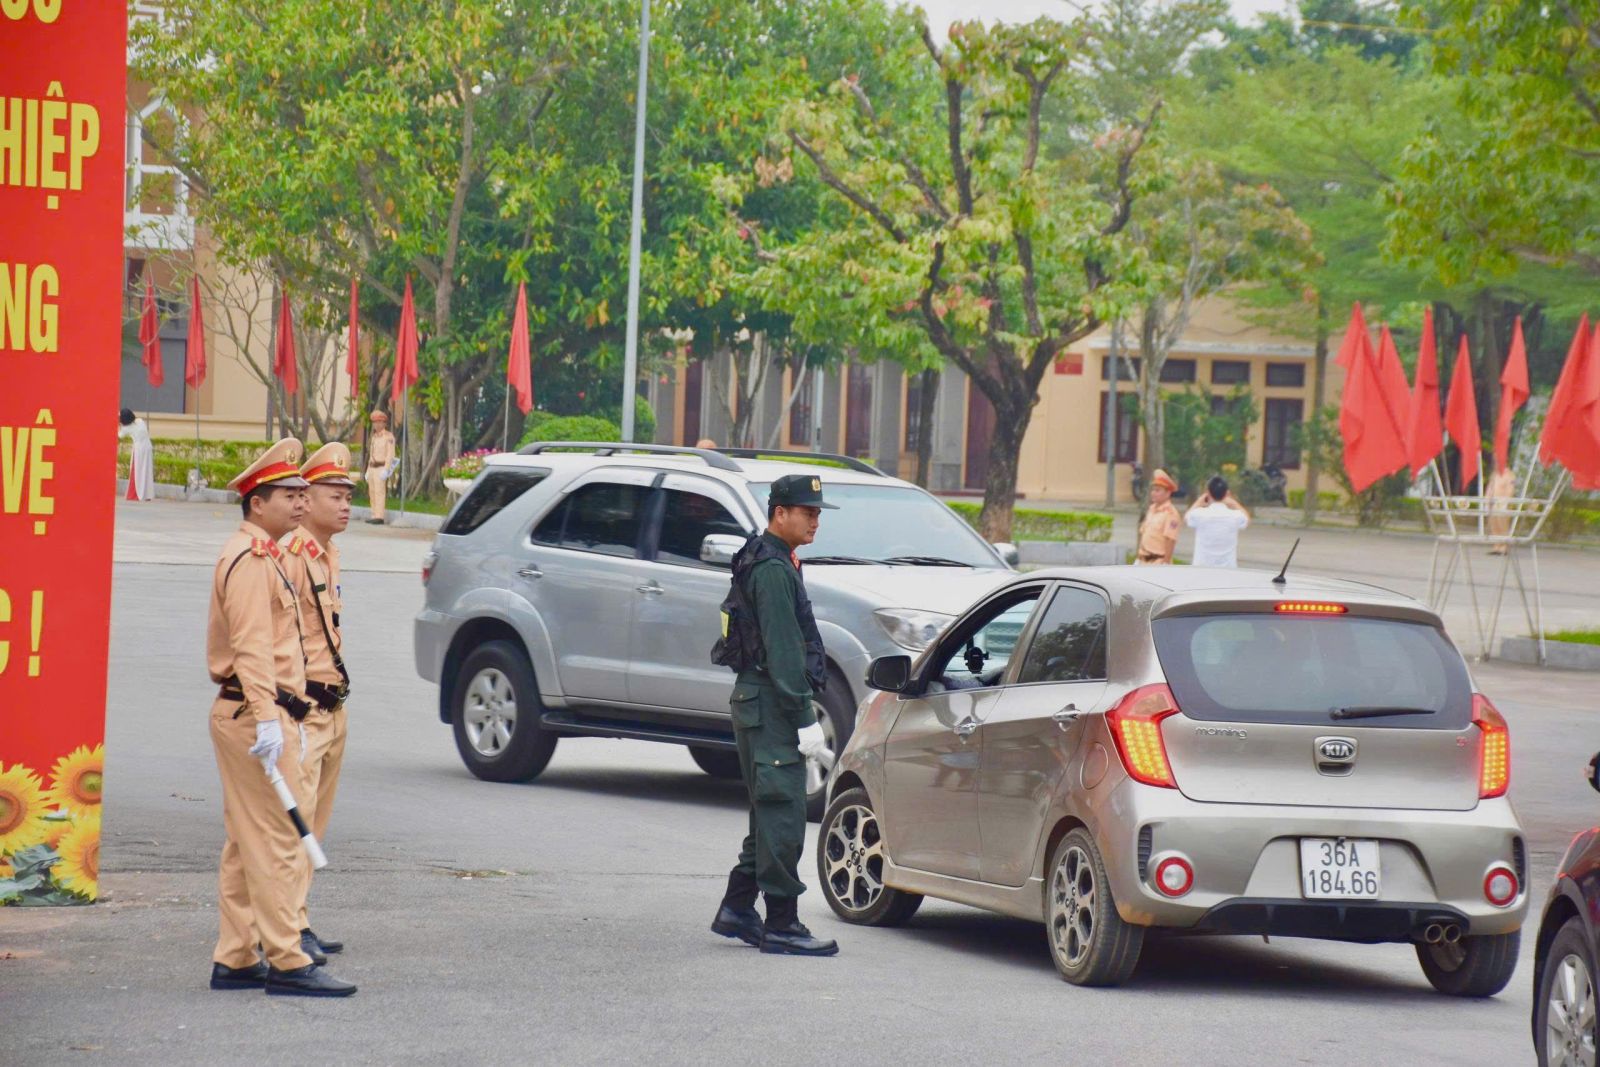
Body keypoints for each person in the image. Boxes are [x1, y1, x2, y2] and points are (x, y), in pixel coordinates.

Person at [207, 438, 356, 997]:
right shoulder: (249, 560)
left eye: (302, 492)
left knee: (249, 841)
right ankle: (289, 960)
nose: (300, 502)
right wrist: (270, 720)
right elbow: (250, 647)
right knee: (276, 841)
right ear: (256, 503)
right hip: (255, 712)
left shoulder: (264, 554)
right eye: (288, 494)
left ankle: (238, 956)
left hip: (260, 711)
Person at [710, 474, 839, 957]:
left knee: (769, 812)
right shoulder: (771, 569)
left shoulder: (771, 558)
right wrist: (804, 715)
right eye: (807, 512)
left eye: (818, 513)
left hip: (760, 702)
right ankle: (782, 923)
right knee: (783, 814)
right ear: (779, 513)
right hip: (772, 704)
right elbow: (785, 651)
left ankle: (738, 908)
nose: (815, 521)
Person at [279, 442, 358, 966]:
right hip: (305, 707)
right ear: (306, 499)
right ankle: (287, 927)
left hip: (334, 705)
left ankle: (299, 917)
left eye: (349, 494)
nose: (347, 503)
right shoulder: (291, 556)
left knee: (316, 824)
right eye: (336, 494)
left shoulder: (327, 554)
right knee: (294, 826)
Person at [1185, 475, 1251, 568]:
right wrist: (1233, 503)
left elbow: (1187, 517)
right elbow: (1246, 519)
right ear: (1227, 493)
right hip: (1228, 570)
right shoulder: (1235, 516)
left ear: (1208, 493)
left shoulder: (1199, 514)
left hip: (1202, 569)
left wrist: (1199, 501)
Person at [1135, 469, 1182, 564]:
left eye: (1157, 490)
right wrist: (1138, 557)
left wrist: (1166, 562)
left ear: (1168, 493)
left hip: (1158, 562)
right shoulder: (1151, 509)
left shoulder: (1170, 513)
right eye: (1153, 490)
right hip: (1143, 560)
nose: (1153, 493)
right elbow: (1144, 533)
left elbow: (1170, 540)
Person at [364, 410, 396, 524]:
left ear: (384, 423)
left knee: (379, 492)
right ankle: (374, 514)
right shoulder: (374, 437)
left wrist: (386, 470)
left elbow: (390, 455)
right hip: (372, 468)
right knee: (372, 492)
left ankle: (379, 516)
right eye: (374, 422)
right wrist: (367, 470)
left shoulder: (388, 437)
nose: (376, 425)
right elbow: (371, 455)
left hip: (381, 467)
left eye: (379, 422)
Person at [118, 408, 154, 501]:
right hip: (148, 446)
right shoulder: (140, 421)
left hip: (139, 449)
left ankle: (136, 494)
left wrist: (119, 425)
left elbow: (119, 435)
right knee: (147, 471)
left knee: (137, 471)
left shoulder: (126, 428)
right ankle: (147, 494)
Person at [1486, 463, 1517, 555]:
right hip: (1493, 503)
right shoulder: (1494, 474)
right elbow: (1490, 488)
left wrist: (1506, 501)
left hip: (1502, 503)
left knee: (1502, 524)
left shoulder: (1510, 475)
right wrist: (1487, 499)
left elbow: (1510, 489)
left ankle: (1504, 546)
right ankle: (1496, 545)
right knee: (1493, 524)